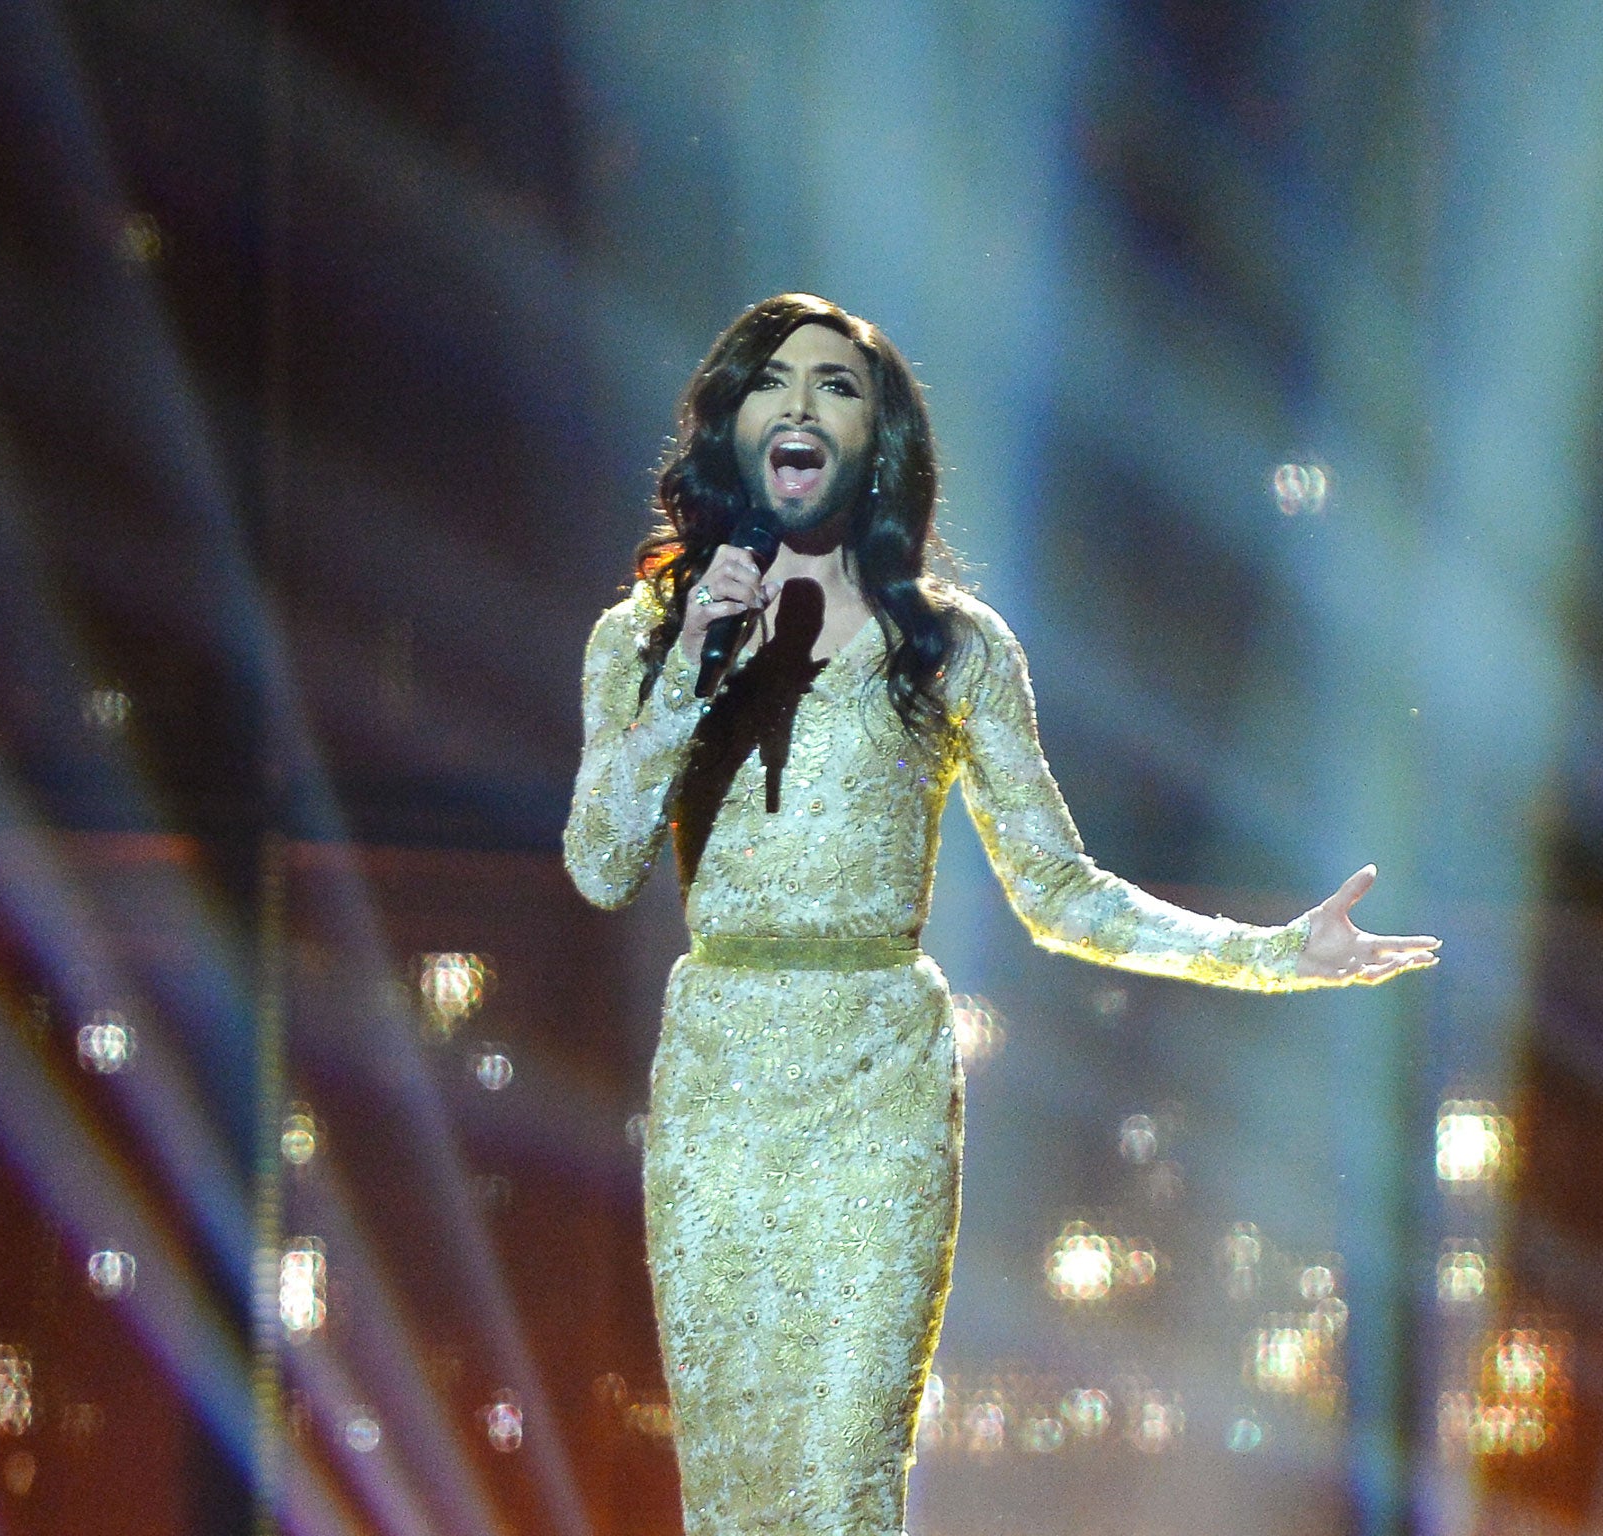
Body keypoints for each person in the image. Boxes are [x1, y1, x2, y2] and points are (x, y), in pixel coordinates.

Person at [563, 293, 1438, 1535]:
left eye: (838, 386)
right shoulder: (643, 635)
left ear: (879, 440)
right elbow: (601, 866)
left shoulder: (951, 645)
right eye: (774, 381)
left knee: (847, 1473)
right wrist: (689, 678)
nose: (803, 404)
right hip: (718, 1072)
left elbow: (1061, 895)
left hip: (880, 1076)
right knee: (737, 1484)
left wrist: (1276, 957)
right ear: (730, 421)